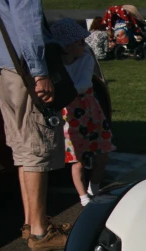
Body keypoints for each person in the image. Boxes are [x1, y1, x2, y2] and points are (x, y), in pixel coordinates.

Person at [0, 0, 70, 251]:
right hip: (20, 64)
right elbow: (27, 22)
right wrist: (39, 72)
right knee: (36, 143)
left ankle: (31, 223)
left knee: (21, 142)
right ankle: (40, 231)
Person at [50, 18, 115, 208]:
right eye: (79, 41)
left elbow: (84, 83)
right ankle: (83, 197)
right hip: (70, 114)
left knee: (103, 152)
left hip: (90, 110)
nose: (83, 44)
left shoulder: (86, 57)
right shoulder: (56, 65)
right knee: (77, 159)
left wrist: (64, 91)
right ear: (66, 47)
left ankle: (94, 186)